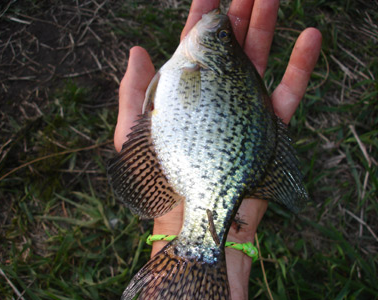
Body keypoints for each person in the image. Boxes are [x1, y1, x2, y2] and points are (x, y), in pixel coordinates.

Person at [113, 0, 322, 299]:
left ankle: (194, 253)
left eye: (223, 37)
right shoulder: (205, 68)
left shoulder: (191, 65)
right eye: (225, 36)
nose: (221, 27)